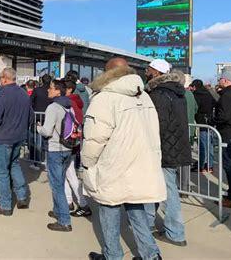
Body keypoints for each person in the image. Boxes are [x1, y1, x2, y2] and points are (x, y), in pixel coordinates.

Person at [82, 58, 165, 260]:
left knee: (109, 213)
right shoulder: (144, 96)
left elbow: (95, 138)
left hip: (114, 166)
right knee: (137, 212)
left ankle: (112, 255)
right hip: (140, 163)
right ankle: (151, 254)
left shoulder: (104, 98)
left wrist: (87, 162)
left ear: (107, 73)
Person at [144, 59, 190, 247]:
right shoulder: (177, 92)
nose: (146, 71)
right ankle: (148, 223)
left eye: (148, 69)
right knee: (161, 188)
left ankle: (175, 232)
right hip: (175, 146)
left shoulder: (159, 94)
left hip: (163, 149)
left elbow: (157, 125)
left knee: (166, 191)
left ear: (155, 72)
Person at [0, 68, 33, 216]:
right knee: (14, 165)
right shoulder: (24, 94)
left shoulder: (2, 94)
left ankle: (5, 205)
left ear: (4, 78)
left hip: (4, 137)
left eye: (1, 78)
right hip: (19, 136)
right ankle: (22, 197)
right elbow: (31, 117)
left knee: (2, 171)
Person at [37, 80, 75, 232]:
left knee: (57, 185)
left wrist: (38, 128)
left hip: (54, 149)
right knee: (60, 182)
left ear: (58, 91)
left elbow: (47, 131)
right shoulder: (69, 106)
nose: (48, 91)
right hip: (67, 148)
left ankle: (64, 220)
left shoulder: (53, 107)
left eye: (51, 88)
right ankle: (58, 211)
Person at [63, 79, 91, 217]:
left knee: (70, 175)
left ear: (68, 89)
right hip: (74, 141)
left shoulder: (68, 103)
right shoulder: (77, 101)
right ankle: (69, 202)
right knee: (68, 174)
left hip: (67, 142)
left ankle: (83, 203)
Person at [212, 67, 231, 209]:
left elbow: (223, 116)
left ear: (226, 80)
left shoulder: (228, 96)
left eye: (220, 78)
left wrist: (212, 121)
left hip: (230, 135)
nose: (219, 81)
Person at [191, 79, 216, 172]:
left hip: (201, 121)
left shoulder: (196, 95)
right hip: (210, 121)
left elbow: (195, 107)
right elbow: (215, 103)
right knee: (210, 145)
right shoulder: (208, 93)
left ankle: (202, 165)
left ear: (195, 86)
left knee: (202, 145)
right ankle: (210, 165)